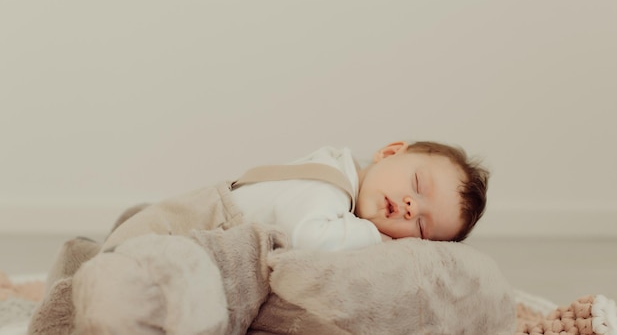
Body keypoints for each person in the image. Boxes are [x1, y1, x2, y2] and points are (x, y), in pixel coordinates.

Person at [102, 140, 488, 252]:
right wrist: (380, 237)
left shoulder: (338, 169)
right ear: (389, 152)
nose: (410, 206)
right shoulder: (330, 187)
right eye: (417, 186)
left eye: (421, 225)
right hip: (175, 237)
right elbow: (309, 238)